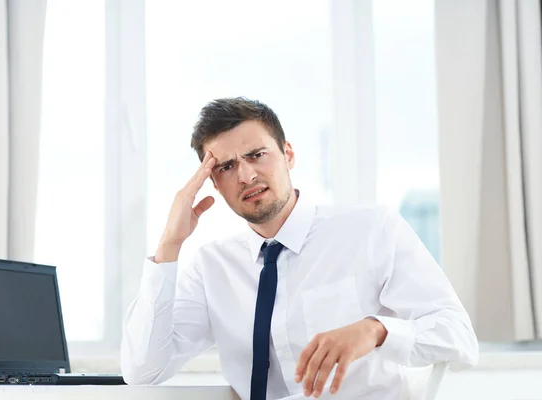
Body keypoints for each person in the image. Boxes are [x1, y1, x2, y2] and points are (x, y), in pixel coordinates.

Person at [120, 97, 478, 400]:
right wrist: (170, 244)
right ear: (212, 181)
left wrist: (374, 330)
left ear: (288, 154)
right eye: (227, 167)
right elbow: (142, 371)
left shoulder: (370, 229)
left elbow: (457, 334)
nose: (246, 176)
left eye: (257, 155)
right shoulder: (212, 266)